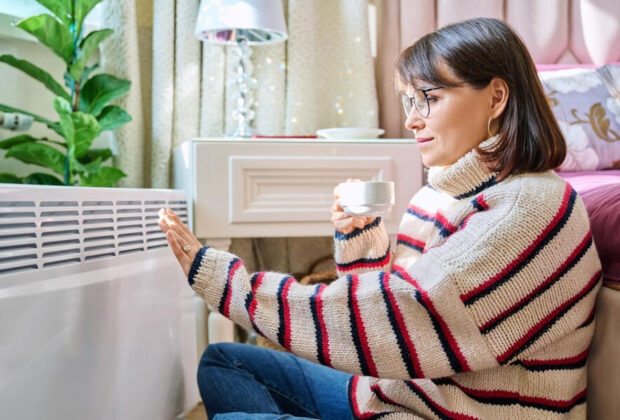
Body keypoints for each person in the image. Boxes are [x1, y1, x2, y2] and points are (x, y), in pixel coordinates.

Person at [158, 17, 602, 419]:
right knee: (223, 360)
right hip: (404, 396)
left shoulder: (530, 209)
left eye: (428, 97)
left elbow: (404, 315)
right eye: (409, 100)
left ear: (497, 97)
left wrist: (232, 286)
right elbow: (397, 331)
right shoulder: (440, 195)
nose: (411, 120)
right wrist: (364, 248)